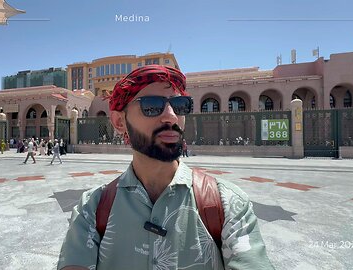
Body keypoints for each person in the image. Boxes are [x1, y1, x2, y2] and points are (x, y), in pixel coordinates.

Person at [57, 65, 274, 270]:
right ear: (119, 121)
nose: (171, 116)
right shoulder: (91, 210)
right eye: (152, 105)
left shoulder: (228, 205)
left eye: (180, 105)